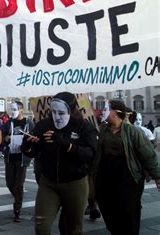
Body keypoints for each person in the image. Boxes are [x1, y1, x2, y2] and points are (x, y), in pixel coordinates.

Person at [20, 92, 97, 235]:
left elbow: (91, 154)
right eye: (53, 112)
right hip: (48, 183)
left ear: (72, 111)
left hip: (75, 183)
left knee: (72, 229)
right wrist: (26, 145)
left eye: (61, 113)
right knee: (41, 227)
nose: (56, 116)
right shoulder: (44, 125)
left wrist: (67, 145)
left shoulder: (84, 126)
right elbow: (33, 152)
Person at [94, 99, 160, 235]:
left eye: (106, 109)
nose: (103, 111)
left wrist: (157, 176)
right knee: (107, 208)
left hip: (128, 177)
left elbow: (148, 155)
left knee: (129, 211)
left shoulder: (133, 132)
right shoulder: (101, 130)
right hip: (105, 177)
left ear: (115, 113)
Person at [2, 101, 34, 222]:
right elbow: (3, 135)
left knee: (18, 184)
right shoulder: (9, 123)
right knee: (10, 183)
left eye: (15, 109)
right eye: (11, 109)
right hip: (10, 157)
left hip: (22, 158)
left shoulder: (28, 123)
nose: (13, 112)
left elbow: (34, 136)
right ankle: (18, 198)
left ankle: (17, 209)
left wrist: (28, 140)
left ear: (21, 110)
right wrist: (6, 138)